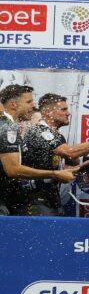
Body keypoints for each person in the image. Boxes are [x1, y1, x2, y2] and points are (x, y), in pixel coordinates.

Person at [20, 93, 89, 216]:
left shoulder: (57, 136)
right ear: (47, 112)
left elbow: (71, 162)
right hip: (34, 199)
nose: (68, 113)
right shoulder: (39, 132)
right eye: (63, 109)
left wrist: (85, 165)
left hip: (51, 199)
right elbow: (70, 153)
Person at [1, 85, 75, 215]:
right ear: (13, 104)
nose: (33, 106)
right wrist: (54, 174)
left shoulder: (6, 124)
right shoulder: (8, 126)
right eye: (29, 101)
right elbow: (13, 170)